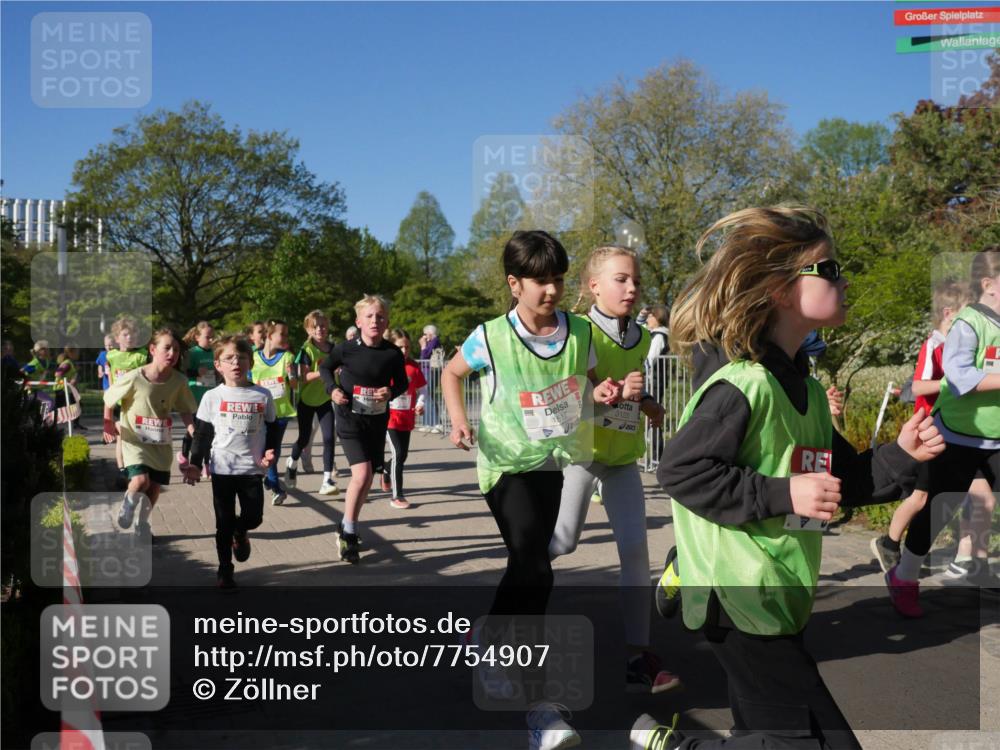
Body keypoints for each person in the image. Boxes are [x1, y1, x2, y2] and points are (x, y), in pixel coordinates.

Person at [631, 206, 943, 749]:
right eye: (828, 270)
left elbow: (840, 481)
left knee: (771, 734)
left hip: (780, 594)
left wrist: (901, 453)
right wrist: (783, 493)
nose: (843, 281)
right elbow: (682, 470)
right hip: (738, 596)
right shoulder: (743, 386)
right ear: (779, 290)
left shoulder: (810, 394)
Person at [442, 230, 618, 750]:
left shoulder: (581, 333)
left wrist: (602, 394)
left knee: (530, 566)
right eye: (540, 281)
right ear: (514, 283)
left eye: (559, 280)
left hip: (552, 462)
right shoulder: (490, 335)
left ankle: (486, 638)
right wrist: (457, 421)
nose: (552, 291)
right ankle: (542, 710)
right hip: (503, 464)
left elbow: (588, 391)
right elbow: (453, 374)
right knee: (534, 566)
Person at [548, 245, 679, 695]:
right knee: (562, 542)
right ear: (594, 287)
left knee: (636, 550)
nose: (632, 287)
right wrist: (599, 390)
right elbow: (564, 392)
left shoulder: (642, 338)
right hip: (581, 454)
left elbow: (630, 390)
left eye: (636, 280)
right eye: (621, 279)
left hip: (622, 458)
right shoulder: (577, 331)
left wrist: (647, 403)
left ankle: (638, 656)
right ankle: (506, 608)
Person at [886, 248, 1000, 617]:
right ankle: (904, 576)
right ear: (989, 284)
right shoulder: (967, 324)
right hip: (957, 435)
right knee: (939, 510)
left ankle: (975, 570)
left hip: (996, 438)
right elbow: (960, 377)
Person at [870, 280, 992, 578]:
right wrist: (956, 383)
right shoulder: (934, 345)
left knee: (975, 499)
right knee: (921, 497)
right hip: (929, 432)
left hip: (955, 433)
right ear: (950, 313)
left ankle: (966, 562)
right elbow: (918, 386)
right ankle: (889, 543)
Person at [184, 336, 280, 589]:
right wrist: (195, 463)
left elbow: (273, 428)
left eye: (242, 358)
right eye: (229, 358)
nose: (236, 362)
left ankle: (241, 532)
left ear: (250, 363)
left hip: (252, 468)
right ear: (218, 365)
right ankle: (225, 570)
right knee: (223, 522)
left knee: (254, 517)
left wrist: (271, 453)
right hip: (223, 467)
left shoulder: (262, 394)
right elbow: (202, 434)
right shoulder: (212, 397)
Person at [320, 295, 408, 564]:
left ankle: (348, 523)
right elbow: (325, 367)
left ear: (387, 322)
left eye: (380, 317)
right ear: (358, 321)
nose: (375, 321)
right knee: (363, 473)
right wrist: (332, 389)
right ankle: (348, 532)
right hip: (349, 419)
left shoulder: (392, 353)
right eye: (369, 316)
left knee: (368, 478)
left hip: (376, 421)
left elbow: (402, 383)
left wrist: (390, 391)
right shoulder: (346, 349)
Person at [102, 328, 197, 541]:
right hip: (134, 440)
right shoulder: (135, 377)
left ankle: (142, 524)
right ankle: (127, 505)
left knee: (153, 486)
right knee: (140, 480)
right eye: (167, 348)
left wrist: (192, 430)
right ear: (153, 349)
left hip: (160, 441)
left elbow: (185, 409)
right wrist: (108, 425)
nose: (172, 353)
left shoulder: (179, 381)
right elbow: (109, 399)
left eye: (176, 349)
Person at [287, 310, 339, 496]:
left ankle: (327, 480)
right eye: (315, 326)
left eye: (323, 326)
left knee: (329, 438)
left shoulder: (334, 349)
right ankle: (291, 463)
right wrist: (325, 372)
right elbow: (304, 376)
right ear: (308, 330)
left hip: (326, 398)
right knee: (304, 439)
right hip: (307, 400)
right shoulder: (306, 350)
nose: (320, 329)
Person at [251, 319, 298, 506]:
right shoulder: (253, 357)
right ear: (270, 336)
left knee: (274, 447)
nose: (286, 338)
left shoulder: (288, 357)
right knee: (263, 448)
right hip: (260, 412)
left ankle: (272, 482)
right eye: (283, 334)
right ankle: (272, 482)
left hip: (281, 411)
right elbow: (248, 382)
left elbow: (294, 385)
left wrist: (292, 374)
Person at [381, 328, 426, 509]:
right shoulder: (386, 365)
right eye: (400, 347)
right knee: (398, 454)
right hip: (389, 418)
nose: (404, 351)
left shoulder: (414, 367)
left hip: (406, 419)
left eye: (407, 347)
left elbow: (423, 389)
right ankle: (397, 495)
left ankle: (385, 470)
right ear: (393, 346)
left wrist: (421, 404)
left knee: (402, 455)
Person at [106, 316, 150, 481]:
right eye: (125, 334)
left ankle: (141, 467)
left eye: (133, 334)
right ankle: (122, 469)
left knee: (140, 437)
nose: (130, 337)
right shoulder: (111, 356)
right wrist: (110, 393)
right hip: (119, 403)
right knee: (122, 437)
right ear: (117, 338)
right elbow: (111, 376)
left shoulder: (142, 355)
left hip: (138, 403)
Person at [179, 321, 217, 476]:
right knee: (194, 431)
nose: (211, 340)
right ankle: (185, 456)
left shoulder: (215, 352)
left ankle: (207, 464)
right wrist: (196, 372)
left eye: (212, 337)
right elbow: (183, 372)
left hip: (210, 396)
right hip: (194, 396)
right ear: (197, 337)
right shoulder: (192, 353)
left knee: (209, 432)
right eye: (208, 337)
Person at [419, 324, 443, 431]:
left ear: (430, 333)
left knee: (429, 395)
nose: (424, 337)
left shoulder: (434, 341)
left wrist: (423, 345)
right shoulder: (431, 342)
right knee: (427, 396)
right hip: (427, 371)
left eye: (425, 334)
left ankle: (436, 423)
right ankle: (428, 423)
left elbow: (425, 355)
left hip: (431, 371)